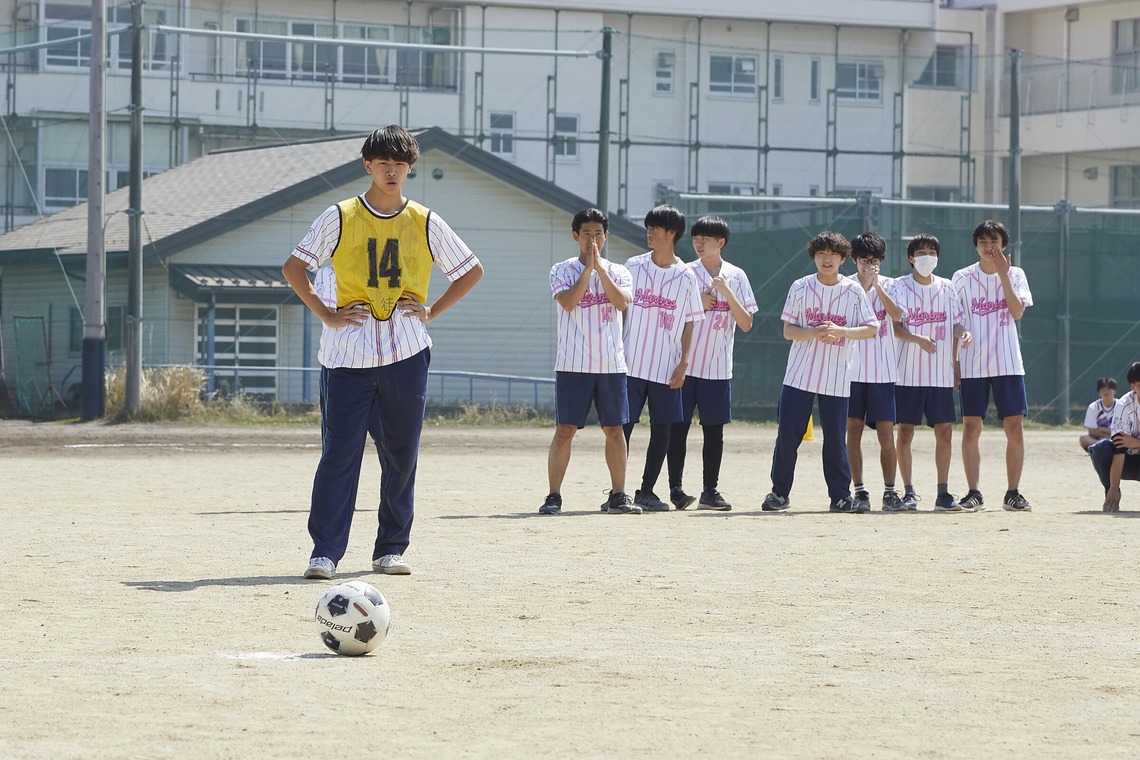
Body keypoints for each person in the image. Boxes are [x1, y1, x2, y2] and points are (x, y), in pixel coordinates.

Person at [282, 124, 484, 580]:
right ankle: (325, 553)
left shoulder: (426, 221)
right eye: (383, 163)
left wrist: (431, 310)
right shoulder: (340, 215)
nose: (392, 171)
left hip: (406, 353)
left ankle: (391, 547)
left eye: (400, 163)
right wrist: (326, 314)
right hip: (347, 357)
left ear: (411, 167)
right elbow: (295, 268)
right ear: (368, 165)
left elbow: (470, 270)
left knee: (401, 455)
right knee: (339, 456)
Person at [761, 231, 879, 514]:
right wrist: (813, 331)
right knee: (788, 435)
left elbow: (872, 328)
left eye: (833, 255)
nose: (827, 259)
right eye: (821, 254)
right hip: (800, 375)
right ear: (814, 257)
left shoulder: (852, 291)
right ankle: (779, 493)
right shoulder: (801, 287)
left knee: (836, 438)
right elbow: (788, 330)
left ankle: (840, 496)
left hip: (836, 376)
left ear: (842, 259)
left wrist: (841, 331)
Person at [540, 209, 640, 515]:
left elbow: (621, 303)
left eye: (598, 234)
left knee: (614, 430)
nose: (592, 240)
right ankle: (554, 495)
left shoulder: (620, 271)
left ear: (606, 236)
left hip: (611, 364)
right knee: (566, 429)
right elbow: (569, 302)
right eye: (586, 234)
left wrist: (601, 270)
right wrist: (588, 270)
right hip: (573, 363)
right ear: (575, 236)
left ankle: (619, 495)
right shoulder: (561, 270)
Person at [665, 215, 757, 511]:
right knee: (677, 428)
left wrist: (727, 293)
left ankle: (710, 490)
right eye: (695, 238)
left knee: (714, 430)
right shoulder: (683, 273)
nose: (699, 243)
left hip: (717, 368)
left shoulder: (737, 276)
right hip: (683, 364)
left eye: (706, 238)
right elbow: (666, 314)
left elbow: (746, 323)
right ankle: (676, 489)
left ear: (722, 242)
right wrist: (696, 302)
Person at [620, 204, 705, 512]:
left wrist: (684, 362)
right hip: (629, 363)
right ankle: (618, 492)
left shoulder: (686, 277)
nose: (649, 232)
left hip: (666, 366)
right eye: (648, 227)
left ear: (672, 233)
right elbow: (619, 308)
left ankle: (647, 490)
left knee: (663, 429)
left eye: (656, 228)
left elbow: (690, 322)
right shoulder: (633, 266)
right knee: (622, 428)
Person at [952, 219, 1033, 512]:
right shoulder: (961, 277)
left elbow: (1017, 312)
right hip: (973, 364)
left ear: (1004, 246)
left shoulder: (1016, 274)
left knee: (1015, 429)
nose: (989, 247)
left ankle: (1013, 492)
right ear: (976, 245)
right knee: (971, 428)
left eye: (994, 242)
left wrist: (1003, 276)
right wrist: (956, 359)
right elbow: (956, 321)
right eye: (984, 242)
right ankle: (974, 492)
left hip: (1008, 363)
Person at [891, 234, 973, 512]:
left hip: (939, 374)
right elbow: (896, 327)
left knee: (945, 432)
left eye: (931, 252)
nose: (927, 257)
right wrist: (916, 339)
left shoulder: (947, 287)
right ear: (911, 258)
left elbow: (957, 325)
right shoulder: (899, 287)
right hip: (908, 373)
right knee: (905, 432)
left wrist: (964, 337)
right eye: (921, 252)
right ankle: (909, 492)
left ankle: (943, 493)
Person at [844, 231, 904, 513]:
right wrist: (864, 286)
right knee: (852, 431)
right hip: (852, 372)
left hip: (883, 372)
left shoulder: (891, 285)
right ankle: (860, 491)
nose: (870, 265)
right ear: (854, 260)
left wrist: (877, 286)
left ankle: (890, 492)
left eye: (875, 260)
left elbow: (897, 315)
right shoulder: (845, 286)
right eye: (864, 260)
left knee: (885, 434)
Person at [1091, 363, 1140, 511]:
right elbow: (1119, 449)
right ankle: (1111, 496)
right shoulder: (1124, 405)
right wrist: (1114, 487)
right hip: (1128, 462)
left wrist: (1136, 442)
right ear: (1132, 387)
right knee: (1100, 448)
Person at [1080, 377, 1117, 451]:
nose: (1106, 392)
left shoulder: (1120, 406)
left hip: (1116, 440)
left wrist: (1101, 429)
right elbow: (1092, 431)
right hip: (1098, 440)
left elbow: (1123, 431)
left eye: (1109, 389)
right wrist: (1109, 433)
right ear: (1099, 392)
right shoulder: (1094, 406)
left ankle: (1102, 449)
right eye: (1103, 389)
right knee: (1083, 439)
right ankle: (1103, 448)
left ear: (1114, 390)